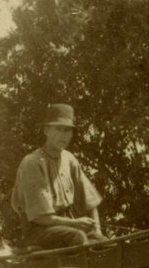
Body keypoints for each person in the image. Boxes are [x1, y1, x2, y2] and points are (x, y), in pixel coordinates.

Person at [11, 103, 107, 249]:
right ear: (46, 130)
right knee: (78, 237)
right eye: (58, 129)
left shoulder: (70, 159)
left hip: (69, 227)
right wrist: (74, 224)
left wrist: (97, 232)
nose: (64, 135)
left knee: (106, 243)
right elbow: (40, 217)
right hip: (39, 231)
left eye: (68, 130)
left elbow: (90, 203)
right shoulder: (32, 163)